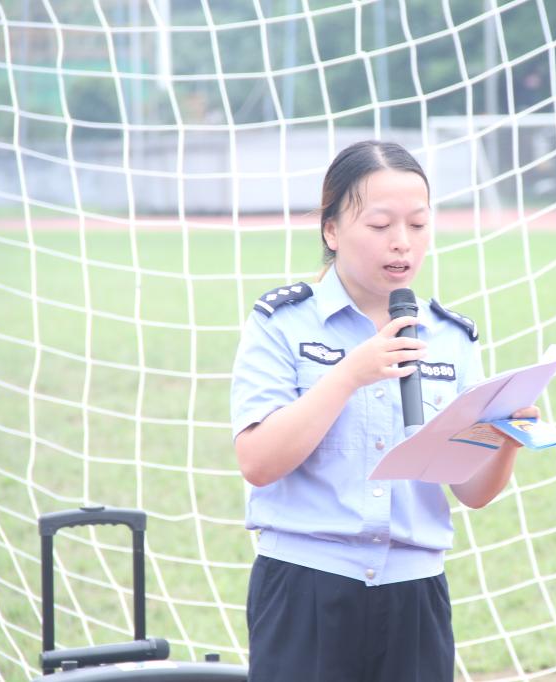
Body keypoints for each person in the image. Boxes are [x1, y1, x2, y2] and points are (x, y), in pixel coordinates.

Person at [230, 140, 539, 682]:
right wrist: (349, 374)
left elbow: (471, 492)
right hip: (304, 586)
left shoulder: (451, 336)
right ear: (331, 230)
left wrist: (504, 439)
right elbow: (258, 462)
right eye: (379, 225)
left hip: (414, 594)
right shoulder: (281, 323)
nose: (402, 241)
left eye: (418, 225)